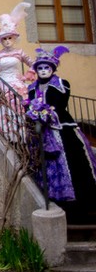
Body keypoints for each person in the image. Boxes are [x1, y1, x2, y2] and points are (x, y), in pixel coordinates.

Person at [25, 46, 96, 220]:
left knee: (74, 163)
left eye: (46, 68)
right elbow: (30, 105)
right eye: (39, 68)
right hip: (40, 131)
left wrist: (47, 112)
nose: (43, 71)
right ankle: (56, 202)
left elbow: (60, 104)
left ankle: (81, 207)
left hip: (63, 129)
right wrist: (34, 113)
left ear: (52, 69)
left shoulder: (61, 84)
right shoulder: (32, 88)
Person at [0, 2, 35, 139]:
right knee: (2, 109)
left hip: (17, 84)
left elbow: (33, 64)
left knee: (18, 108)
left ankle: (20, 136)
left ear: (14, 38)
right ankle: (6, 135)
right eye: (4, 39)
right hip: (1, 84)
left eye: (9, 38)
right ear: (1, 40)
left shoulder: (20, 53)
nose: (7, 41)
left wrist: (26, 76)